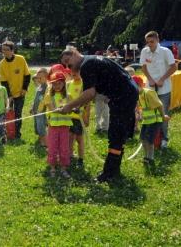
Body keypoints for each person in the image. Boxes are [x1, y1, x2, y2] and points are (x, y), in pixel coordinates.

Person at [60, 48, 138, 182]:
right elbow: (93, 92)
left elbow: (89, 93)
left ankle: (109, 173)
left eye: (68, 62)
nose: (68, 67)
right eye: (65, 65)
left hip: (124, 96)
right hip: (124, 93)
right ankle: (114, 170)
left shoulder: (86, 65)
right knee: (117, 134)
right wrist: (78, 105)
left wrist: (69, 106)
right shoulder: (90, 61)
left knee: (115, 134)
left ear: (74, 53)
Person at [140, 31, 177, 148]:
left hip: (164, 89)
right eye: (147, 42)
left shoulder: (165, 52)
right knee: (150, 114)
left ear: (157, 40)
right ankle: (150, 137)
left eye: (152, 42)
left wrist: (162, 79)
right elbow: (143, 67)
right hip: (150, 88)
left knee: (163, 114)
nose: (149, 44)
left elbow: (174, 67)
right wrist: (150, 79)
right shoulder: (144, 51)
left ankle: (164, 138)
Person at [43, 71, 72, 178]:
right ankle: (53, 168)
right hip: (53, 126)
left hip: (64, 126)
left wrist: (72, 109)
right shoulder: (48, 96)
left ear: (64, 83)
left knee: (64, 147)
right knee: (52, 147)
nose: (56, 86)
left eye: (59, 83)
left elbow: (70, 109)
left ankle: (63, 168)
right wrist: (61, 109)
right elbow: (51, 109)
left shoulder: (68, 96)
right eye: (54, 84)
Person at [0, 41, 31, 139]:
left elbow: (27, 75)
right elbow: (3, 82)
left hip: (21, 93)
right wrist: (9, 96)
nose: (4, 52)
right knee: (8, 114)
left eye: (7, 50)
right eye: (3, 50)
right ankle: (8, 133)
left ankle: (17, 133)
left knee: (18, 113)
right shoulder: (2, 64)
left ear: (12, 50)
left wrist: (25, 89)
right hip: (9, 94)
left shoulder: (21, 59)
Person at [136, 75, 170, 166]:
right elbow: (141, 107)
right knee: (143, 139)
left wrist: (163, 116)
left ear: (141, 85)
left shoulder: (148, 93)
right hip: (146, 121)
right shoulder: (139, 95)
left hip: (155, 121)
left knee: (149, 140)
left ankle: (150, 158)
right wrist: (139, 115)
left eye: (136, 86)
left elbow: (159, 105)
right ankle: (146, 156)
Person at [67, 70, 90, 168]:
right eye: (73, 71)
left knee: (79, 139)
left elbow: (87, 103)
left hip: (79, 118)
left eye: (77, 71)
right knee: (70, 138)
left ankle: (81, 158)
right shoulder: (68, 84)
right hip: (69, 117)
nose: (74, 73)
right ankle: (70, 155)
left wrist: (87, 117)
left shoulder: (84, 85)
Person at [30, 68, 48, 147]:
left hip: (42, 111)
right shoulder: (40, 87)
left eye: (40, 78)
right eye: (38, 78)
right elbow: (36, 99)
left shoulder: (47, 87)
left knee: (41, 126)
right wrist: (32, 107)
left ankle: (44, 142)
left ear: (46, 77)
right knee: (37, 125)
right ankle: (40, 139)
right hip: (36, 111)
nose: (38, 80)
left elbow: (47, 100)